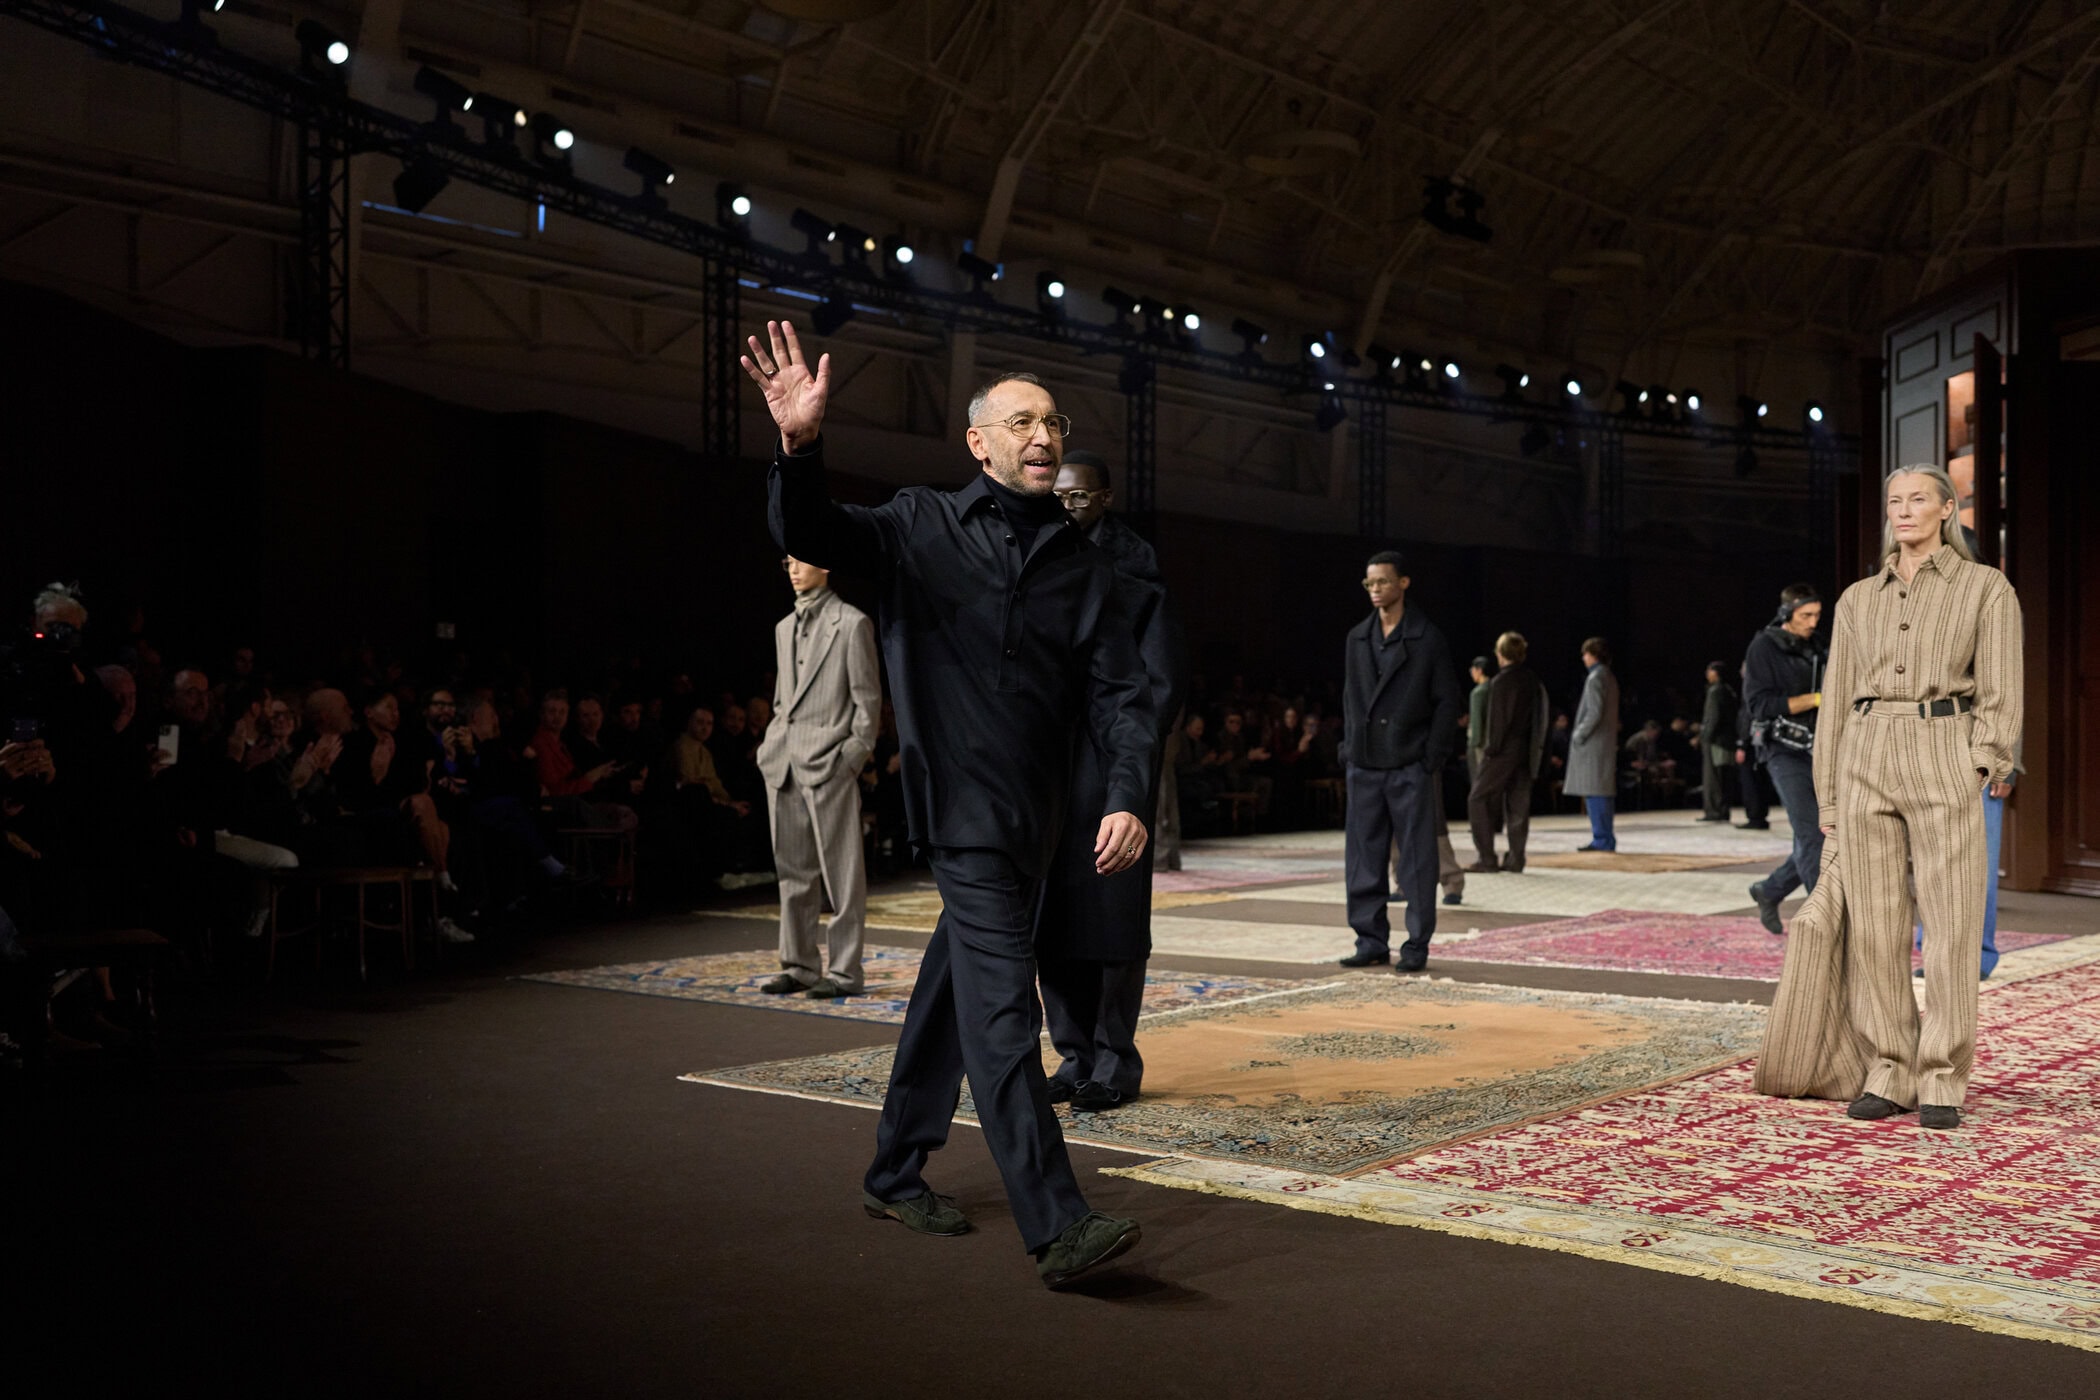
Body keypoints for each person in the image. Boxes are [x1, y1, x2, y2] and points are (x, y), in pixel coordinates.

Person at [749, 322, 1154, 1286]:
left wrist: (1128, 795)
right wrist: (800, 446)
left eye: (1053, 422)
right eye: (1022, 422)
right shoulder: (919, 523)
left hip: (1040, 824)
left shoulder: (1084, 566)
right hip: (962, 816)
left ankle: (894, 1171)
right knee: (1004, 1010)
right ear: (979, 442)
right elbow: (813, 533)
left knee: (948, 992)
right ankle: (1057, 1225)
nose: (1043, 436)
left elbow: (1123, 696)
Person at [1820, 465, 2022, 1131]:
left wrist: (1984, 759)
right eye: (1894, 501)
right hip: (1866, 752)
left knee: (1952, 922)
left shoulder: (1985, 587)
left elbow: (2001, 686)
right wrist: (1829, 793)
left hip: (1943, 749)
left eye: (1916, 500)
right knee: (1875, 927)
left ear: (1946, 509)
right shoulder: (1857, 599)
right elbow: (1837, 699)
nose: (1903, 511)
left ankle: (1941, 1075)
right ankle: (1889, 1069)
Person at [1037, 448, 1186, 1113]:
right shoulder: (1040, 555)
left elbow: (1161, 680)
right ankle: (1073, 1055)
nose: (1066, 505)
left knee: (1112, 917)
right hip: (1050, 766)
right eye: (1057, 495)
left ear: (1104, 499)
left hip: (1111, 763)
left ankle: (1115, 1060)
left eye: (1078, 496)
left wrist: (1132, 767)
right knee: (1054, 917)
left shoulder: (1136, 569)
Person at [755, 554, 880, 999]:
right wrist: (772, 745)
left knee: (843, 875)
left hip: (830, 762)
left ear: (826, 565)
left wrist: (851, 758)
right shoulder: (783, 627)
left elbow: (868, 702)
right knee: (793, 871)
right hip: (784, 762)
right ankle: (800, 965)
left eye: (800, 562)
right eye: (786, 563)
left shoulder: (852, 623)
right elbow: (781, 702)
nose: (792, 570)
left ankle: (845, 971)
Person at [1338, 550, 1462, 972]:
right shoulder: (1357, 637)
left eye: (1383, 582)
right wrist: (1349, 747)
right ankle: (1370, 940)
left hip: (1409, 763)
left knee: (1417, 860)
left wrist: (1432, 756)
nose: (1375, 590)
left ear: (1403, 583)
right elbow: (1350, 697)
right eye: (1369, 583)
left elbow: (1446, 701)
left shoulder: (1427, 638)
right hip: (1365, 763)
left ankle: (1416, 944)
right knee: (1362, 857)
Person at [1744, 585, 1827, 935]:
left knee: (1824, 836)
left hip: (1820, 750)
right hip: (1782, 750)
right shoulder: (1764, 646)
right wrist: (1816, 699)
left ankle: (1770, 890)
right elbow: (1759, 705)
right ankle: (1823, 924)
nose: (1812, 622)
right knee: (1812, 836)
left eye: (1817, 615)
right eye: (1805, 615)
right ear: (1786, 613)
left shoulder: (1816, 646)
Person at [1467, 631, 1548, 872]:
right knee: (1517, 803)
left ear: (1501, 654)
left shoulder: (1502, 682)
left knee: (1477, 798)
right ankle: (1515, 858)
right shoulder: (1531, 679)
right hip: (1526, 749)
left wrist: (1491, 749)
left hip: (1503, 750)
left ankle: (1487, 858)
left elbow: (1500, 721)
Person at [1565, 638, 1621, 850]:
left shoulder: (1595, 678)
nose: (1583, 658)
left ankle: (1601, 838)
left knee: (1594, 790)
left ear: (1594, 655)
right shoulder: (1609, 677)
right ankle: (1605, 837)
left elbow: (1594, 712)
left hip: (1593, 743)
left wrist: (1578, 734)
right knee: (1602, 790)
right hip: (1605, 741)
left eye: (1586, 654)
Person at [1699, 661, 1739, 822]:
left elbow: (1713, 717)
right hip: (1727, 739)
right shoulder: (1729, 690)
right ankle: (1723, 810)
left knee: (1713, 777)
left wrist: (1705, 737)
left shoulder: (1715, 691)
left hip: (1716, 741)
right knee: (1724, 777)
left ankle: (1714, 811)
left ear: (1715, 673)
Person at [1465, 655, 1492, 780]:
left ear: (1479, 670)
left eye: (1473, 669)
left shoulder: (1478, 693)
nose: (1471, 672)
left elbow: (1476, 724)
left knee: (1477, 781)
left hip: (1479, 746)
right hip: (1492, 744)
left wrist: (1473, 743)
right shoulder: (1495, 688)